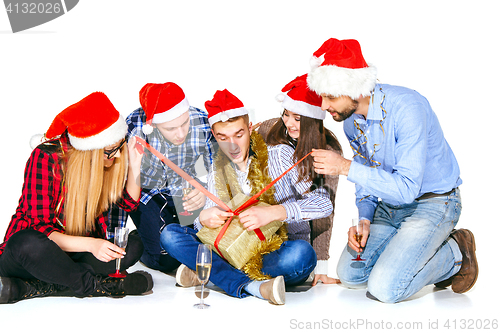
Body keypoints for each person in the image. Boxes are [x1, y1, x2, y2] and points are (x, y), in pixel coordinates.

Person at [308, 38, 478, 303]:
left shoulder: (407, 108)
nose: (323, 106)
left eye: (330, 97)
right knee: (350, 276)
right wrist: (365, 217)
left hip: (432, 203)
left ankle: (455, 253)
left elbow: (407, 188)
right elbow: (366, 171)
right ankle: (406, 255)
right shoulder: (351, 122)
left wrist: (343, 166)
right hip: (389, 207)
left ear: (355, 90)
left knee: (386, 289)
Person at [161, 89, 332, 305]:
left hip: (274, 251)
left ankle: (209, 272)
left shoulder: (279, 155)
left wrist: (274, 212)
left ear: (250, 129)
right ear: (214, 136)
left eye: (238, 135)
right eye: (223, 137)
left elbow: (323, 202)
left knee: (301, 256)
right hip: (226, 248)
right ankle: (251, 286)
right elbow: (205, 230)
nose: (232, 145)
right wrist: (203, 216)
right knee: (170, 234)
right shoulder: (214, 167)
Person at [0, 92, 153, 304]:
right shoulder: (46, 158)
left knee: (133, 246)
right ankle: (97, 286)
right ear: (90, 151)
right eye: (110, 150)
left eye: (119, 148)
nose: (118, 155)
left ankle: (33, 288)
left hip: (75, 256)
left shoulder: (106, 163)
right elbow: (39, 228)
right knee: (26, 242)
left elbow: (127, 203)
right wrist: (91, 245)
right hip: (35, 255)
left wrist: (135, 165)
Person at [108, 82, 216, 273]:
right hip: (147, 192)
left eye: (184, 123)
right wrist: (114, 238)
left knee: (192, 243)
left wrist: (203, 189)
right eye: (171, 129)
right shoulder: (135, 126)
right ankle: (141, 237)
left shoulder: (202, 121)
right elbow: (118, 182)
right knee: (165, 261)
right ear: (153, 125)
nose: (180, 133)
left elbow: (213, 166)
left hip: (185, 188)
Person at [258, 74, 343, 286]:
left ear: (314, 120)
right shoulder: (269, 129)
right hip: (256, 224)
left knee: (300, 256)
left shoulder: (328, 150)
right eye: (285, 115)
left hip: (292, 232)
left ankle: (233, 271)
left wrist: (321, 266)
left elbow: (325, 209)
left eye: (298, 118)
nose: (288, 123)